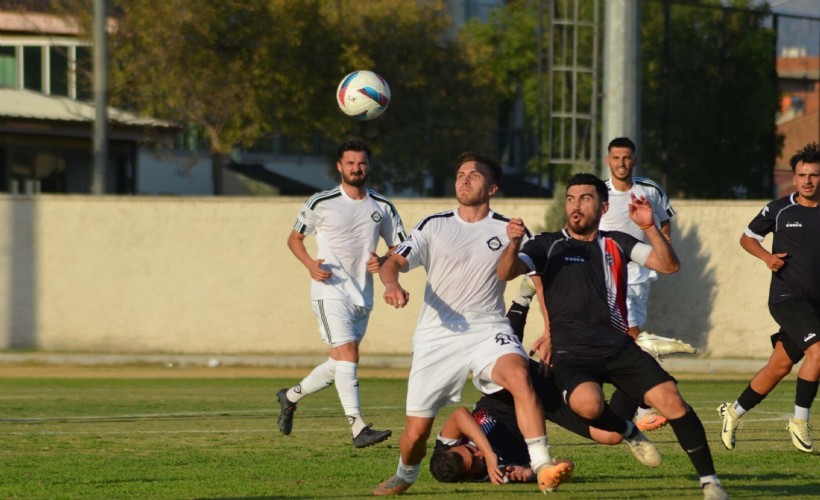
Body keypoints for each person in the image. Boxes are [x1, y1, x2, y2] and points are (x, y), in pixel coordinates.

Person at [497, 173, 728, 500]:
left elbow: (669, 265)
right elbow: (505, 272)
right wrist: (514, 243)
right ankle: (629, 430)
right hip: (573, 355)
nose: (576, 206)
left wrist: (649, 227)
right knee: (589, 406)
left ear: (603, 206)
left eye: (585, 199)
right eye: (571, 198)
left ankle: (710, 482)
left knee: (673, 402)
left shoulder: (617, 242)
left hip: (619, 348)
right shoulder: (546, 246)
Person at [372, 152, 572, 495]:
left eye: (474, 175)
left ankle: (541, 463)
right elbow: (393, 262)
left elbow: (541, 278)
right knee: (417, 434)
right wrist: (391, 283)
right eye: (460, 173)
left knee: (520, 377)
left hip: (488, 329)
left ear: (492, 187)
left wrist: (551, 329)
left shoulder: (510, 229)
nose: (464, 179)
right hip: (438, 336)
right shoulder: (434, 225)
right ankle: (405, 474)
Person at [276, 140, 406, 448]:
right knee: (350, 355)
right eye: (350, 163)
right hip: (329, 290)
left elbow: (399, 247)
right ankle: (358, 427)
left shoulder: (382, 206)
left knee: (339, 362)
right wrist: (309, 264)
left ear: (367, 166)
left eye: (361, 163)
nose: (356, 168)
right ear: (339, 167)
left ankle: (290, 396)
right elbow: (294, 239)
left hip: (363, 294)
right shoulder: (321, 202)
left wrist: (384, 261)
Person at [718, 142, 820, 454]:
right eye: (802, 175)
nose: (807, 181)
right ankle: (799, 421)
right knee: (818, 353)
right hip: (787, 298)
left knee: (778, 367)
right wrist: (766, 257)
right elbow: (747, 238)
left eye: (814, 175)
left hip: (816, 305)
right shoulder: (778, 209)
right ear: (793, 177)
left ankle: (733, 412)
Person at [429, 359, 642, 484]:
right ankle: (637, 370)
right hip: (542, 410)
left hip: (511, 390)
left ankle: (524, 298)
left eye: (469, 450)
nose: (478, 454)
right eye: (475, 463)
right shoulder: (501, 474)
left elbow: (459, 415)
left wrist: (488, 452)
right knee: (612, 435)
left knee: (501, 366)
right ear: (468, 477)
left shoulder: (446, 448)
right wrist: (532, 473)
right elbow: (565, 465)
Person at [599, 137, 681, 432]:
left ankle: (627, 408)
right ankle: (644, 404)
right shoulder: (599, 193)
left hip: (639, 278)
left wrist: (664, 244)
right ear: (608, 160)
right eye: (616, 158)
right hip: (607, 279)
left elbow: (664, 222)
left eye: (627, 158)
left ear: (634, 160)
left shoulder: (650, 190)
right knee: (632, 340)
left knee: (629, 342)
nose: (621, 163)